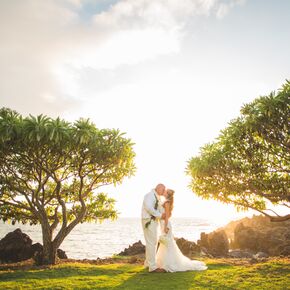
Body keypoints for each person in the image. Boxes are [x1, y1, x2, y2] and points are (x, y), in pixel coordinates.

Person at [156, 189, 208, 272]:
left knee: (168, 244)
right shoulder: (167, 202)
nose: (164, 192)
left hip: (165, 225)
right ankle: (162, 263)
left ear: (167, 194)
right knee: (166, 244)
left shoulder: (166, 203)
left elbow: (167, 216)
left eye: (165, 192)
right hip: (163, 224)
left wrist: (165, 227)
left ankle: (168, 264)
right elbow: (168, 215)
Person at [141, 183, 166, 272]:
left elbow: (158, 209)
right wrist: (159, 215)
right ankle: (153, 267)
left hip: (153, 221)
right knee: (151, 243)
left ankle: (148, 263)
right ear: (158, 188)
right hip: (149, 221)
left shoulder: (157, 197)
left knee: (152, 242)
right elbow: (149, 208)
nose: (164, 192)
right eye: (163, 190)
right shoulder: (149, 196)